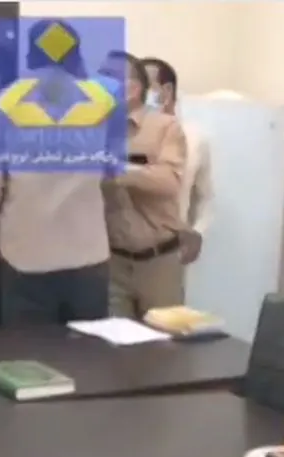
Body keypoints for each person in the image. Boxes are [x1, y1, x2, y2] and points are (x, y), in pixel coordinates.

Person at [0, 19, 114, 326]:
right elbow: (111, 173)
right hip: (89, 254)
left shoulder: (0, 107)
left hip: (27, 255)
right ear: (75, 54)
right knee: (90, 348)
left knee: (32, 351)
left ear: (30, 54)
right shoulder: (104, 106)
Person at [100, 51, 191, 318]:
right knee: (114, 340)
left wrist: (117, 170)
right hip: (112, 264)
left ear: (134, 88)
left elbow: (168, 181)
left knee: (163, 340)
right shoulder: (94, 128)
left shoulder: (165, 127)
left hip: (158, 263)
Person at [140, 57, 214, 264]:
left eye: (146, 86)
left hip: (168, 252)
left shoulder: (195, 138)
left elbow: (206, 197)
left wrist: (199, 232)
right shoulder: (124, 137)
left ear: (167, 91)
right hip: (119, 253)